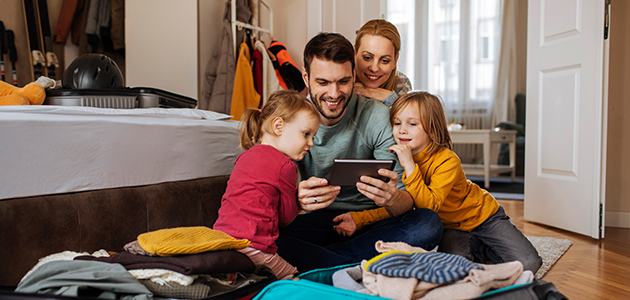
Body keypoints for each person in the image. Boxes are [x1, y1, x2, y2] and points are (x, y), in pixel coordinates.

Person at [275, 32, 443, 272]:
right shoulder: (287, 120)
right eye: (323, 83)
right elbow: (269, 199)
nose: (334, 94)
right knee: (264, 233)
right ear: (305, 76)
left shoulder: (377, 117)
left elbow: (406, 202)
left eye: (343, 81)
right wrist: (296, 202)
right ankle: (359, 263)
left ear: (354, 75)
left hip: (369, 222)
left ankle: (322, 264)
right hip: (311, 222)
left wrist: (392, 198)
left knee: (428, 224)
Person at [336, 91, 543, 272]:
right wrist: (359, 218)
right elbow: (400, 205)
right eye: (397, 123)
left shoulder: (447, 160)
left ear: (432, 130)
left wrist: (410, 167)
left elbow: (429, 207)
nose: (402, 130)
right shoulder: (399, 161)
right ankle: (478, 248)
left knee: (529, 263)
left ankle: (485, 246)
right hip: (451, 228)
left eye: (412, 124)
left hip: (484, 217)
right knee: (455, 270)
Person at [212, 90, 320, 280]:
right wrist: (299, 201)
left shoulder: (244, 157)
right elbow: (286, 217)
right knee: (295, 279)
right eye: (306, 134)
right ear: (278, 126)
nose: (311, 143)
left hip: (221, 240)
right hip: (254, 246)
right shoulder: (285, 166)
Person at [353, 19, 412, 107]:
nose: (374, 68)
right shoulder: (340, 81)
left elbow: (407, 117)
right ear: (355, 54)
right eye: (367, 58)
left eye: (384, 61)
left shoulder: (401, 83)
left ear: (395, 60)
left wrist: (391, 100)